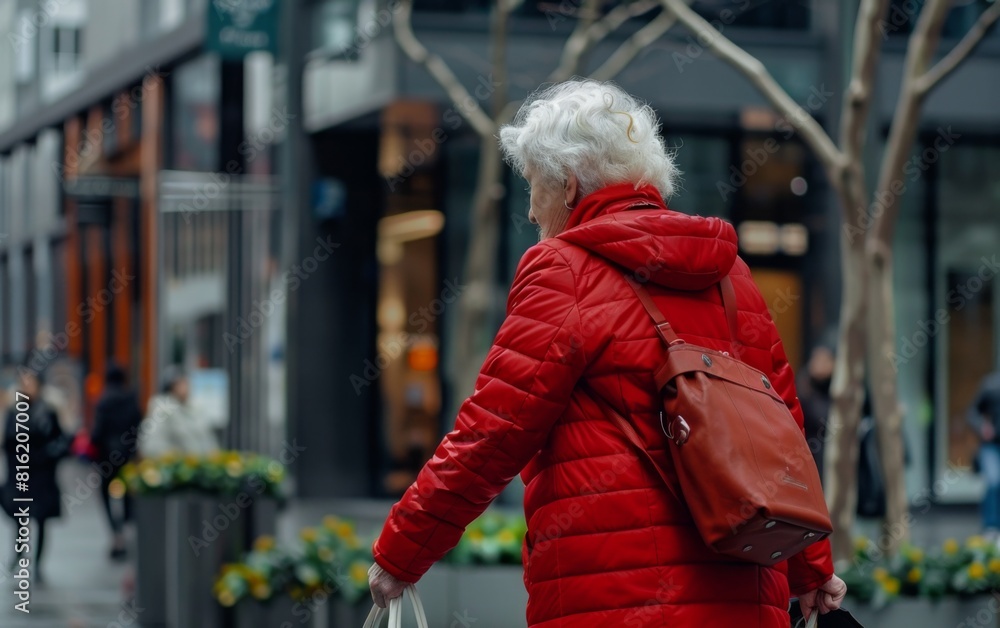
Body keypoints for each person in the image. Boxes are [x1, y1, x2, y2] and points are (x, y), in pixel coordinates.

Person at [367, 80, 845, 626]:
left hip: (614, 597)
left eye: (533, 186)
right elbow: (781, 436)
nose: (529, 211)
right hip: (744, 594)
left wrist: (402, 552)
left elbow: (492, 432)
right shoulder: (733, 277)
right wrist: (812, 570)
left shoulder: (564, 272)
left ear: (569, 186)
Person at [1, 368, 71, 581]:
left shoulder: (48, 412)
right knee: (20, 519)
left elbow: (61, 440)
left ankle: (38, 563)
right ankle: (19, 555)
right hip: (20, 475)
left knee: (40, 520)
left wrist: (48, 455)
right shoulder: (14, 412)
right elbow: (7, 443)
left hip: (42, 475)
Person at [90, 363, 143, 560]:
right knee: (128, 494)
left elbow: (97, 433)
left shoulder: (103, 401)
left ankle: (115, 531)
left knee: (106, 495)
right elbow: (138, 426)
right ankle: (126, 525)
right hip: (127, 457)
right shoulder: (131, 400)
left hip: (106, 458)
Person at [138, 367, 219, 458]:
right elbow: (152, 445)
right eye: (181, 384)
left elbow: (208, 441)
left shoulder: (196, 408)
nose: (186, 387)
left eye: (186, 383)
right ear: (172, 387)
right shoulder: (162, 409)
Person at [968, 370, 1000, 537]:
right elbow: (972, 413)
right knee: (994, 481)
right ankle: (991, 527)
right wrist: (982, 427)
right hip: (991, 446)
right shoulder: (991, 384)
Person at [799, 344, 834, 481]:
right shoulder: (803, 391)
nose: (820, 365)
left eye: (825, 360)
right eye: (816, 359)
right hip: (811, 458)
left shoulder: (840, 393)